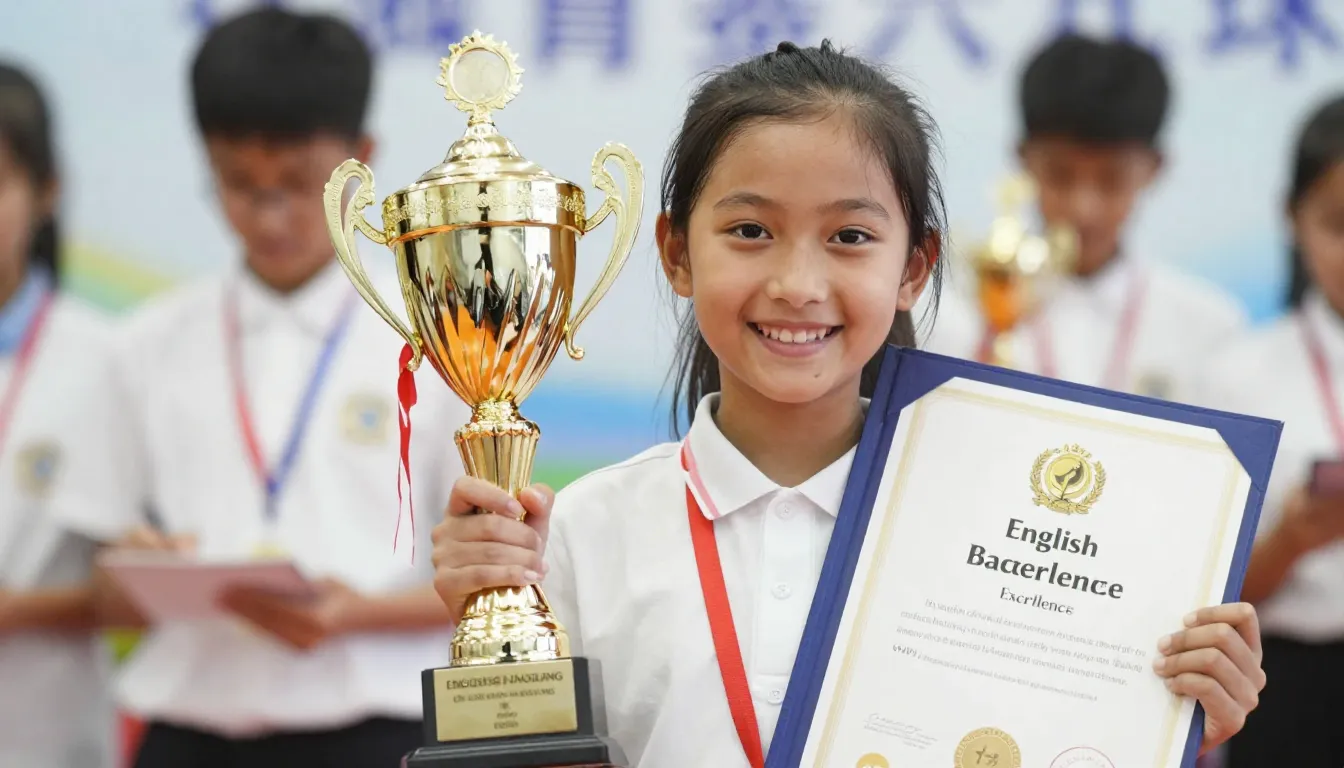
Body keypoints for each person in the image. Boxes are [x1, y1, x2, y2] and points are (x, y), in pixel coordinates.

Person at [430, 40, 1267, 767]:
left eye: (851, 237)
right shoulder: (582, 532)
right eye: (750, 231)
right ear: (677, 254)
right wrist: (491, 643)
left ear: (915, 268)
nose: (798, 285)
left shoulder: (997, 525)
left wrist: (1172, 719)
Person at [51, 9, 469, 768]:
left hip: (381, 729)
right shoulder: (146, 342)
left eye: (297, 185)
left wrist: (358, 614)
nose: (269, 217)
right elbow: (105, 579)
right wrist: (135, 565)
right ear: (206, 163)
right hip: (188, 732)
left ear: (361, 163)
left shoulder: (439, 338)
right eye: (239, 186)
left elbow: (489, 573)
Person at [924, 34, 1246, 402]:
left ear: (1155, 169)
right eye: (1059, 175)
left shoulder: (1207, 328)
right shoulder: (951, 304)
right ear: (1023, 158)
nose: (1083, 208)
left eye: (1112, 179)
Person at [1193, 94, 1344, 768]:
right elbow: (1199, 598)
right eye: (1340, 224)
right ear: (1294, 219)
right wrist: (1293, 539)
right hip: (1287, 685)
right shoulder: (1239, 375)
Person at [0, 62, 121, 768]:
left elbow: (137, 586)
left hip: (46, 734)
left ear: (47, 191)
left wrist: (18, 611)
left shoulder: (108, 359)